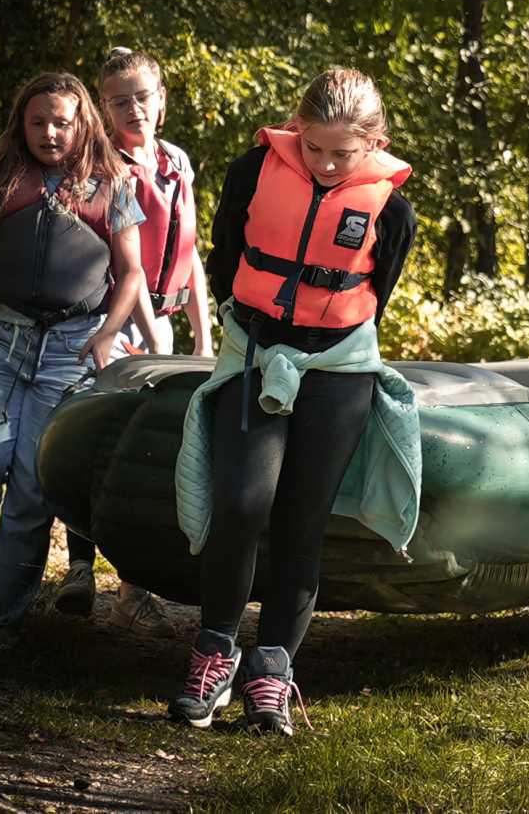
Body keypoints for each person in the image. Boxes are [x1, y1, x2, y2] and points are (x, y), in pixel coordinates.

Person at [167, 67, 419, 735]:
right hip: (254, 351)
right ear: (295, 131)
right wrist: (252, 323)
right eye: (314, 149)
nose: (328, 164)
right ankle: (215, 653)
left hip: (339, 367)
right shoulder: (253, 171)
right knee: (243, 501)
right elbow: (226, 252)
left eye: (344, 153)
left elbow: (378, 290)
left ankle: (271, 675)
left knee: (302, 522)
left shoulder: (392, 211)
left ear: (374, 143)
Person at [0, 72, 146, 632]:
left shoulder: (112, 184)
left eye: (61, 123)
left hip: (70, 350)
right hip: (3, 338)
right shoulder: (4, 179)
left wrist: (106, 335)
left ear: (83, 125)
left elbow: (131, 275)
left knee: (30, 487)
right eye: (38, 121)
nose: (50, 133)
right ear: (21, 124)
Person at [53, 47, 211, 636]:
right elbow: (128, 268)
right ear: (103, 107)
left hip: (169, 321)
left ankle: (134, 588)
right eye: (119, 101)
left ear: (162, 99)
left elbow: (189, 254)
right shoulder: (102, 168)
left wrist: (201, 329)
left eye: (143, 97)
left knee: (158, 449)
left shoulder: (176, 163)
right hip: (122, 322)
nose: (134, 109)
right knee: (105, 441)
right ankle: (78, 568)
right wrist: (150, 331)